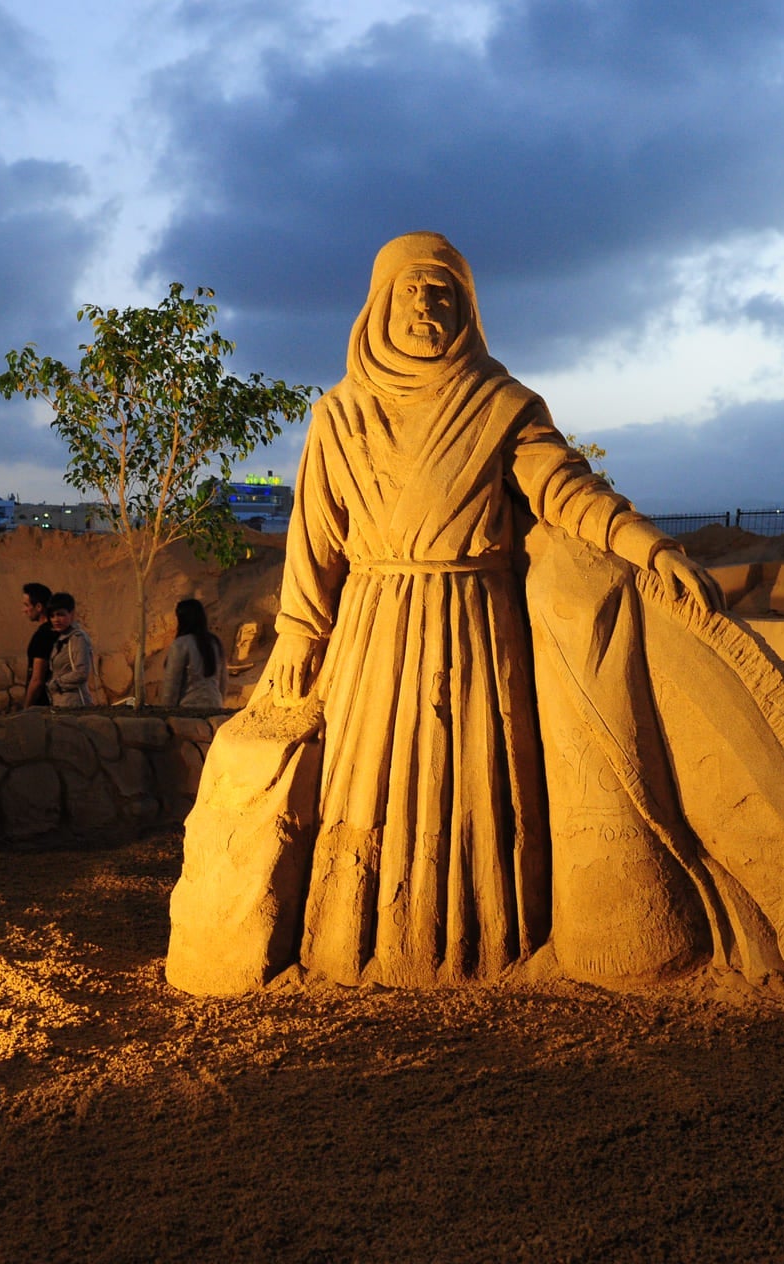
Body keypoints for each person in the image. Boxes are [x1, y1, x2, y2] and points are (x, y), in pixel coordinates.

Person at [258, 231, 722, 987]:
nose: (425, 305)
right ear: (377, 307)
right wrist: (300, 631)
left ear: (466, 310)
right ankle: (357, 941)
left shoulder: (500, 403)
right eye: (410, 289)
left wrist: (650, 547)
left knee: (473, 776)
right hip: (376, 631)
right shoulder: (338, 416)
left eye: (442, 292)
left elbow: (567, 489)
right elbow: (314, 536)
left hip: (473, 621)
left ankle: (480, 944)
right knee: (370, 781)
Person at [160, 598, 226, 709]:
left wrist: (166, 711)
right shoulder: (215, 642)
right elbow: (223, 682)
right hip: (215, 706)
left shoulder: (181, 644)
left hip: (188, 707)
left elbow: (171, 684)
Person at [43, 591, 95, 707]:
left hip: (74, 703)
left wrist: (55, 684)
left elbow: (81, 673)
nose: (56, 619)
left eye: (60, 614)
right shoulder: (61, 638)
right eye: (52, 616)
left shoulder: (77, 638)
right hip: (61, 702)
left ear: (71, 614)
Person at [21, 582, 57, 710]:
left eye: (26, 605)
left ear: (39, 607)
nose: (24, 610)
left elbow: (37, 680)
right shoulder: (55, 631)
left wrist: (26, 708)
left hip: (43, 707)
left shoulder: (43, 635)